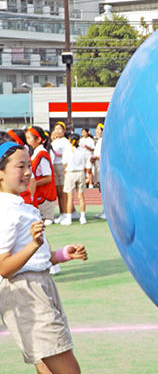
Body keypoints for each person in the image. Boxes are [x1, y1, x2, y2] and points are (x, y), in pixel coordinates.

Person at [0, 141, 87, 373]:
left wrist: (63, 254)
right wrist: (33, 244)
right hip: (24, 293)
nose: (28, 172)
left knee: (47, 364)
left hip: (41, 286)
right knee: (67, 367)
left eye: (29, 165)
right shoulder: (5, 211)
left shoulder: (23, 206)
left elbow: (42, 258)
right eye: (20, 167)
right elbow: (4, 268)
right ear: (0, 173)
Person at [25, 126, 57, 226]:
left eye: (29, 138)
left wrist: (32, 183)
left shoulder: (42, 154)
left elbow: (48, 178)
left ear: (38, 139)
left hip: (45, 196)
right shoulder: (36, 153)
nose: (27, 141)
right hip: (39, 194)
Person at [61, 133, 87, 226]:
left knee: (70, 197)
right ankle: (83, 218)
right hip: (80, 172)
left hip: (70, 173)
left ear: (69, 140)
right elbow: (84, 163)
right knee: (81, 197)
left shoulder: (67, 151)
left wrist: (66, 171)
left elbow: (64, 163)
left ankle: (69, 219)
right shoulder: (82, 151)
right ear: (79, 141)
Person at [51, 122, 70, 224]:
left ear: (63, 130)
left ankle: (66, 213)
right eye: (56, 129)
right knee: (58, 192)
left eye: (59, 129)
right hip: (54, 166)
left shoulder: (65, 142)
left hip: (62, 166)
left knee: (63, 192)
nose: (57, 131)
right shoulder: (54, 142)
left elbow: (67, 155)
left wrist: (58, 154)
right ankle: (62, 212)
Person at [90, 123, 105, 219]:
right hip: (97, 166)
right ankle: (104, 210)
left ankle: (106, 212)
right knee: (101, 189)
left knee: (104, 190)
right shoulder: (99, 140)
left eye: (98, 129)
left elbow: (103, 154)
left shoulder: (104, 140)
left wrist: (95, 157)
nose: (97, 131)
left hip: (102, 166)